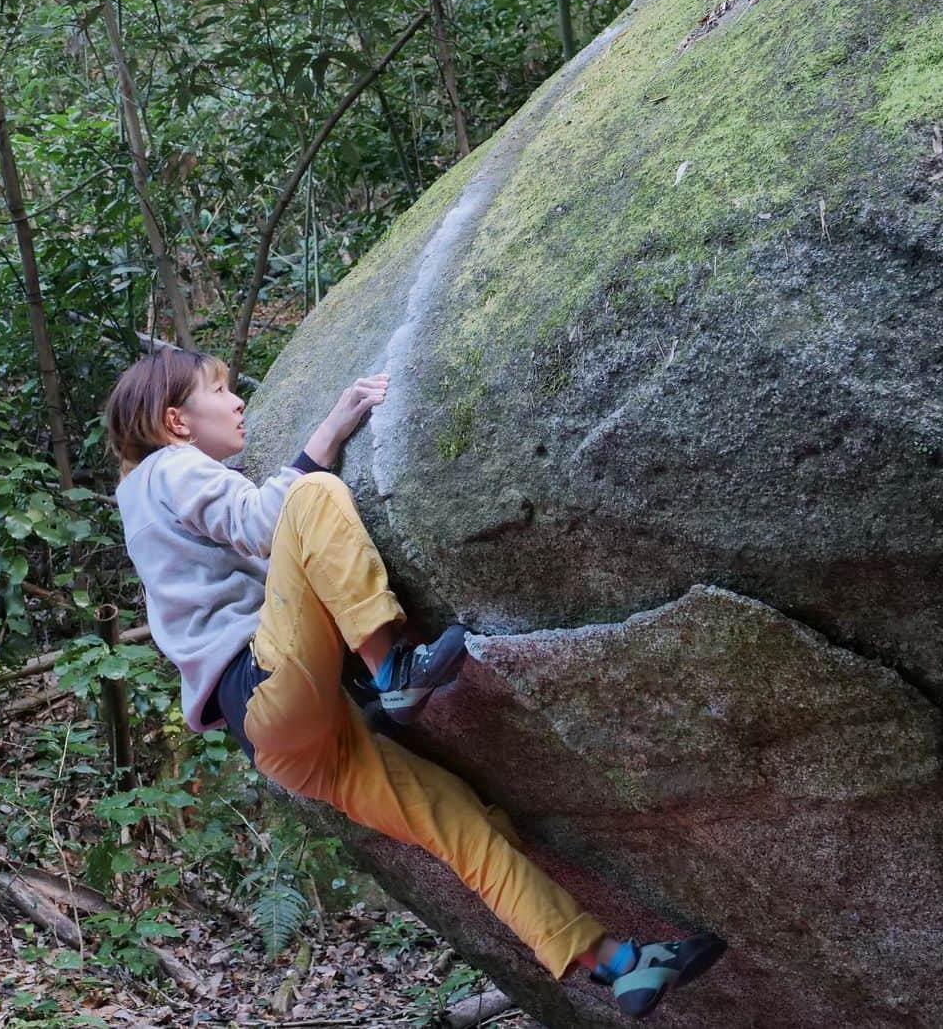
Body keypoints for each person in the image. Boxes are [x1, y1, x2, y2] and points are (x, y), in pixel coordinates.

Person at [104, 348, 725, 1019]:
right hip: (265, 683)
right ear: (176, 421)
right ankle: (390, 668)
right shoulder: (171, 467)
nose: (237, 402)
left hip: (281, 742)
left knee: (457, 819)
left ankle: (617, 965)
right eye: (219, 392)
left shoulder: (142, 499)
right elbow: (266, 523)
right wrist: (329, 431)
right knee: (315, 495)